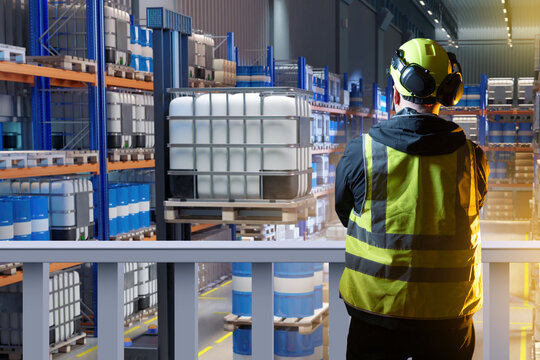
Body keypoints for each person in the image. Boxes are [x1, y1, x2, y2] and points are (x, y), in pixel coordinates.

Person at [335, 38, 489, 360]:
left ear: (395, 93)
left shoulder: (361, 153)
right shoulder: (472, 158)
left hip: (376, 316)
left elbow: (346, 212)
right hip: (449, 319)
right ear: (448, 94)